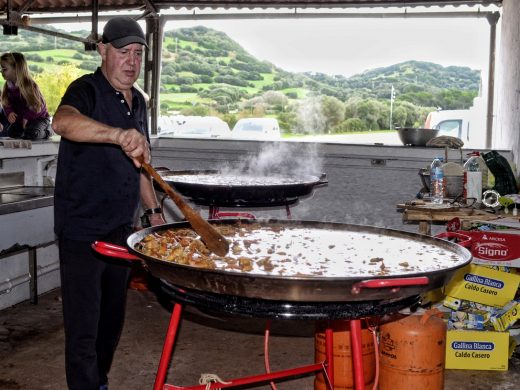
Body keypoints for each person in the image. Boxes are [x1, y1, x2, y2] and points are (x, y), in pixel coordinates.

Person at [52, 16, 165, 390]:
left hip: (121, 229)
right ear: (102, 51)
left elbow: (140, 166)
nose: (131, 61)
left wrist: (153, 213)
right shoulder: (85, 89)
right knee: (83, 326)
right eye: (122, 52)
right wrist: (117, 134)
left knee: (111, 322)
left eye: (137, 53)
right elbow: (63, 123)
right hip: (82, 228)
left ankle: (98, 382)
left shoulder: (141, 103)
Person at [0, 52, 52, 140]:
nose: (1, 71)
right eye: (1, 69)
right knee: (12, 132)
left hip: (38, 118)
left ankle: (47, 132)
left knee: (33, 134)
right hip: (22, 120)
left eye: (4, 69)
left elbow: (38, 105)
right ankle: (27, 131)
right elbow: (6, 103)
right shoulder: (8, 86)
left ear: (16, 69)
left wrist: (27, 117)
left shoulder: (29, 85)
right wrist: (10, 112)